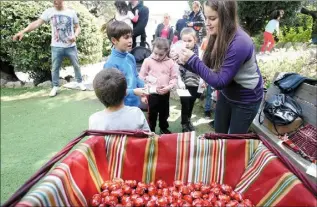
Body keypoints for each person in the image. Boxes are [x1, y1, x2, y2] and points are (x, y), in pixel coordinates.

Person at [173, 0, 263, 134]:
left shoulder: (240, 42)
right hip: (227, 94)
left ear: (227, 17)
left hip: (246, 99)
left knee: (233, 142)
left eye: (212, 18)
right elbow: (205, 68)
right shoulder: (217, 34)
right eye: (206, 17)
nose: (207, 23)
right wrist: (183, 61)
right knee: (219, 134)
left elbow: (220, 81)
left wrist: (192, 60)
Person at [13, 0, 86, 97]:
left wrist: (75, 35)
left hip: (71, 47)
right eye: (54, 1)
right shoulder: (49, 12)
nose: (55, 2)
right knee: (55, 68)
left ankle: (79, 82)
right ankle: (55, 86)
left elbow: (78, 27)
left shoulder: (71, 12)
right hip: (56, 47)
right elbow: (37, 23)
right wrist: (23, 31)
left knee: (76, 65)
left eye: (57, 1)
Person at [103, 21, 146, 107]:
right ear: (114, 40)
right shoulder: (110, 64)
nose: (130, 40)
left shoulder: (130, 57)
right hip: (120, 107)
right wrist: (133, 92)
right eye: (126, 38)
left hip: (135, 104)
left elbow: (136, 76)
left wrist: (144, 89)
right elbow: (114, 91)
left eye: (131, 37)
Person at [139, 38, 178, 134]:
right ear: (153, 49)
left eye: (161, 54)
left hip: (165, 93)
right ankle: (151, 130)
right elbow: (141, 77)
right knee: (152, 114)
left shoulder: (170, 63)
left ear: (166, 52)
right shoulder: (147, 61)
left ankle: (163, 127)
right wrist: (143, 94)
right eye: (155, 53)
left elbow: (174, 78)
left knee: (164, 113)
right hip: (152, 93)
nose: (157, 56)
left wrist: (168, 87)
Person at [176, 28, 201, 132]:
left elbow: (202, 67)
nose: (186, 43)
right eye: (184, 41)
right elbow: (175, 68)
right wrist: (179, 81)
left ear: (195, 40)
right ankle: (184, 124)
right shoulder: (178, 52)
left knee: (191, 103)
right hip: (182, 83)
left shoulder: (199, 52)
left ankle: (188, 120)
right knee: (185, 104)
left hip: (194, 82)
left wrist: (203, 82)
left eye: (189, 41)